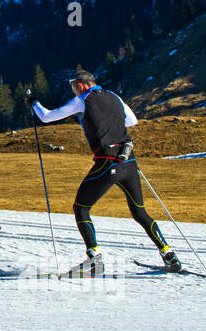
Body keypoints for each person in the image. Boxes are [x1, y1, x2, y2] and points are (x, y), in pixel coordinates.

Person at [31, 68, 181, 273]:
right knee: (139, 212)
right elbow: (132, 121)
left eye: (73, 87)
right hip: (128, 162)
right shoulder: (114, 96)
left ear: (81, 85)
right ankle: (168, 253)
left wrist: (33, 102)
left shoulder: (82, 100)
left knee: (81, 208)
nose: (73, 91)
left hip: (106, 163)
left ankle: (94, 258)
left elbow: (47, 117)